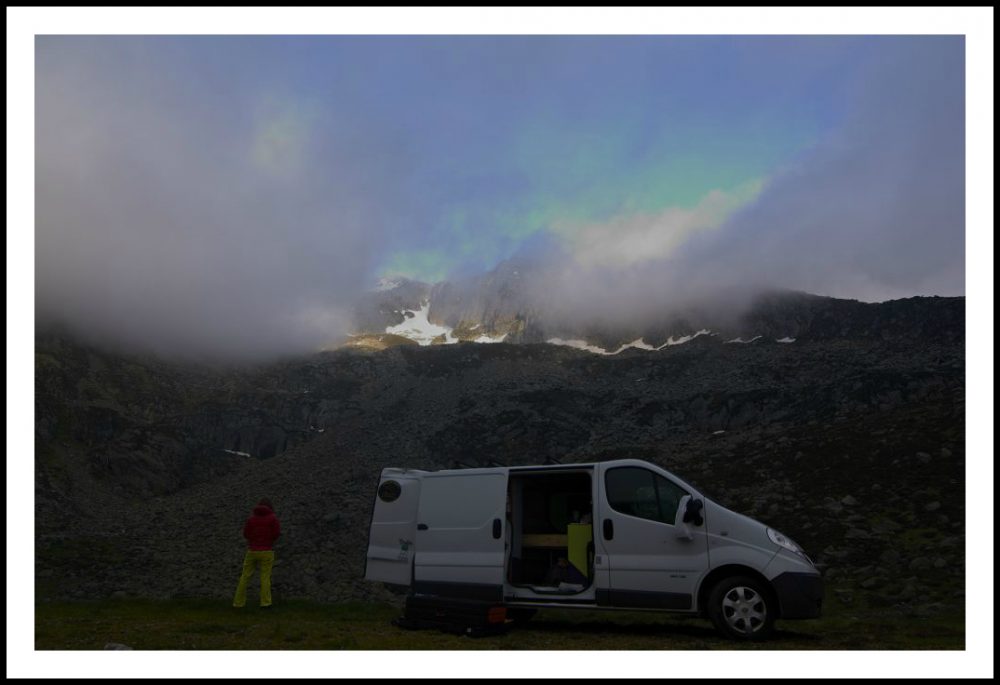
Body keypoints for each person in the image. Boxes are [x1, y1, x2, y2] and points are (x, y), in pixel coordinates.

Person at [233, 497, 281, 608]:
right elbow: (277, 533)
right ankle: (265, 603)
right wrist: (269, 540)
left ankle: (238, 603)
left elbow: (245, 534)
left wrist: (253, 540)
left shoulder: (251, 519)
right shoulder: (273, 518)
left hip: (252, 550)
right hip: (267, 551)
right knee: (265, 577)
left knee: (245, 576)